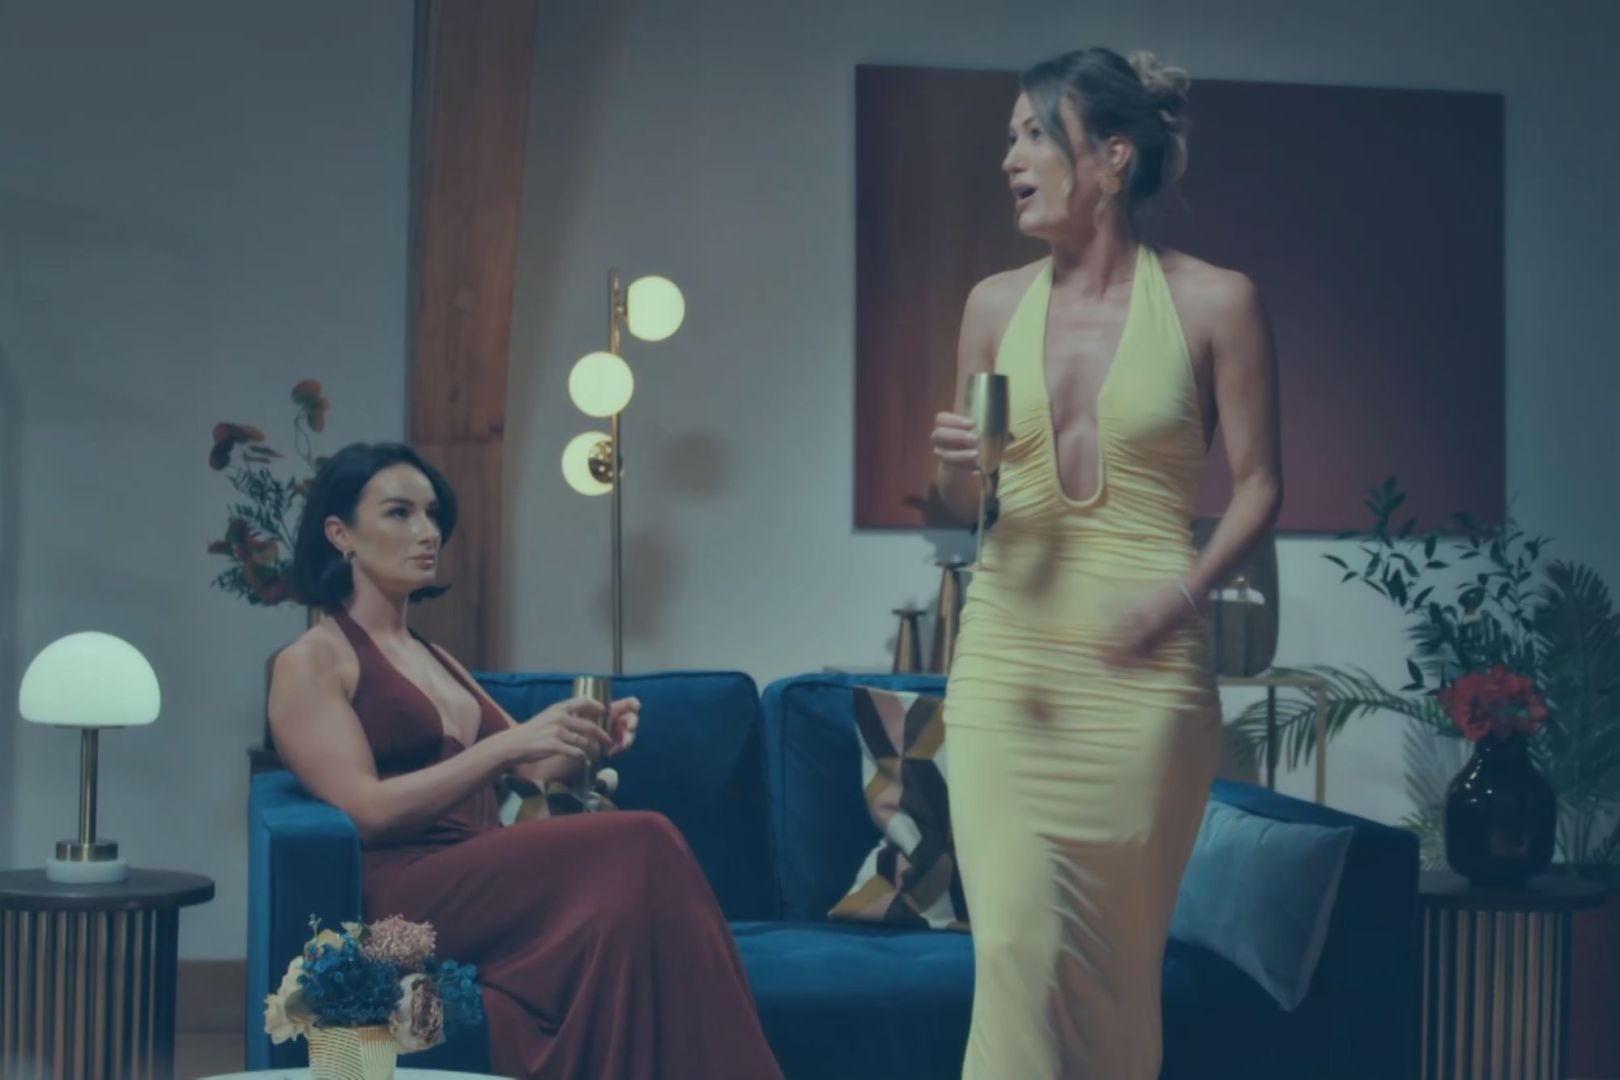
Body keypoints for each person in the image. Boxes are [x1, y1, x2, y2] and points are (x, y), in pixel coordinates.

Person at [929, 47, 1283, 1078]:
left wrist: (1182, 596)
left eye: (1035, 133)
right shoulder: (992, 306)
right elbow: (970, 511)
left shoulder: (1219, 301)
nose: (1011, 158)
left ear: (1114, 157)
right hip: (1008, 668)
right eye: (1008, 137)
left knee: (1115, 980)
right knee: (1013, 955)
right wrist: (956, 466)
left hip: (1145, 687)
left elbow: (1260, 486)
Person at [267, 441, 783, 1080]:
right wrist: (507, 744)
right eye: (400, 513)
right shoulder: (311, 661)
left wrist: (588, 740)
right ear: (340, 533)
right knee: (644, 838)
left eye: (433, 515)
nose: (428, 532)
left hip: (481, 868)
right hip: (403, 895)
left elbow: (531, 769)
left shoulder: (434, 656)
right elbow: (366, 811)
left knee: (630, 908)